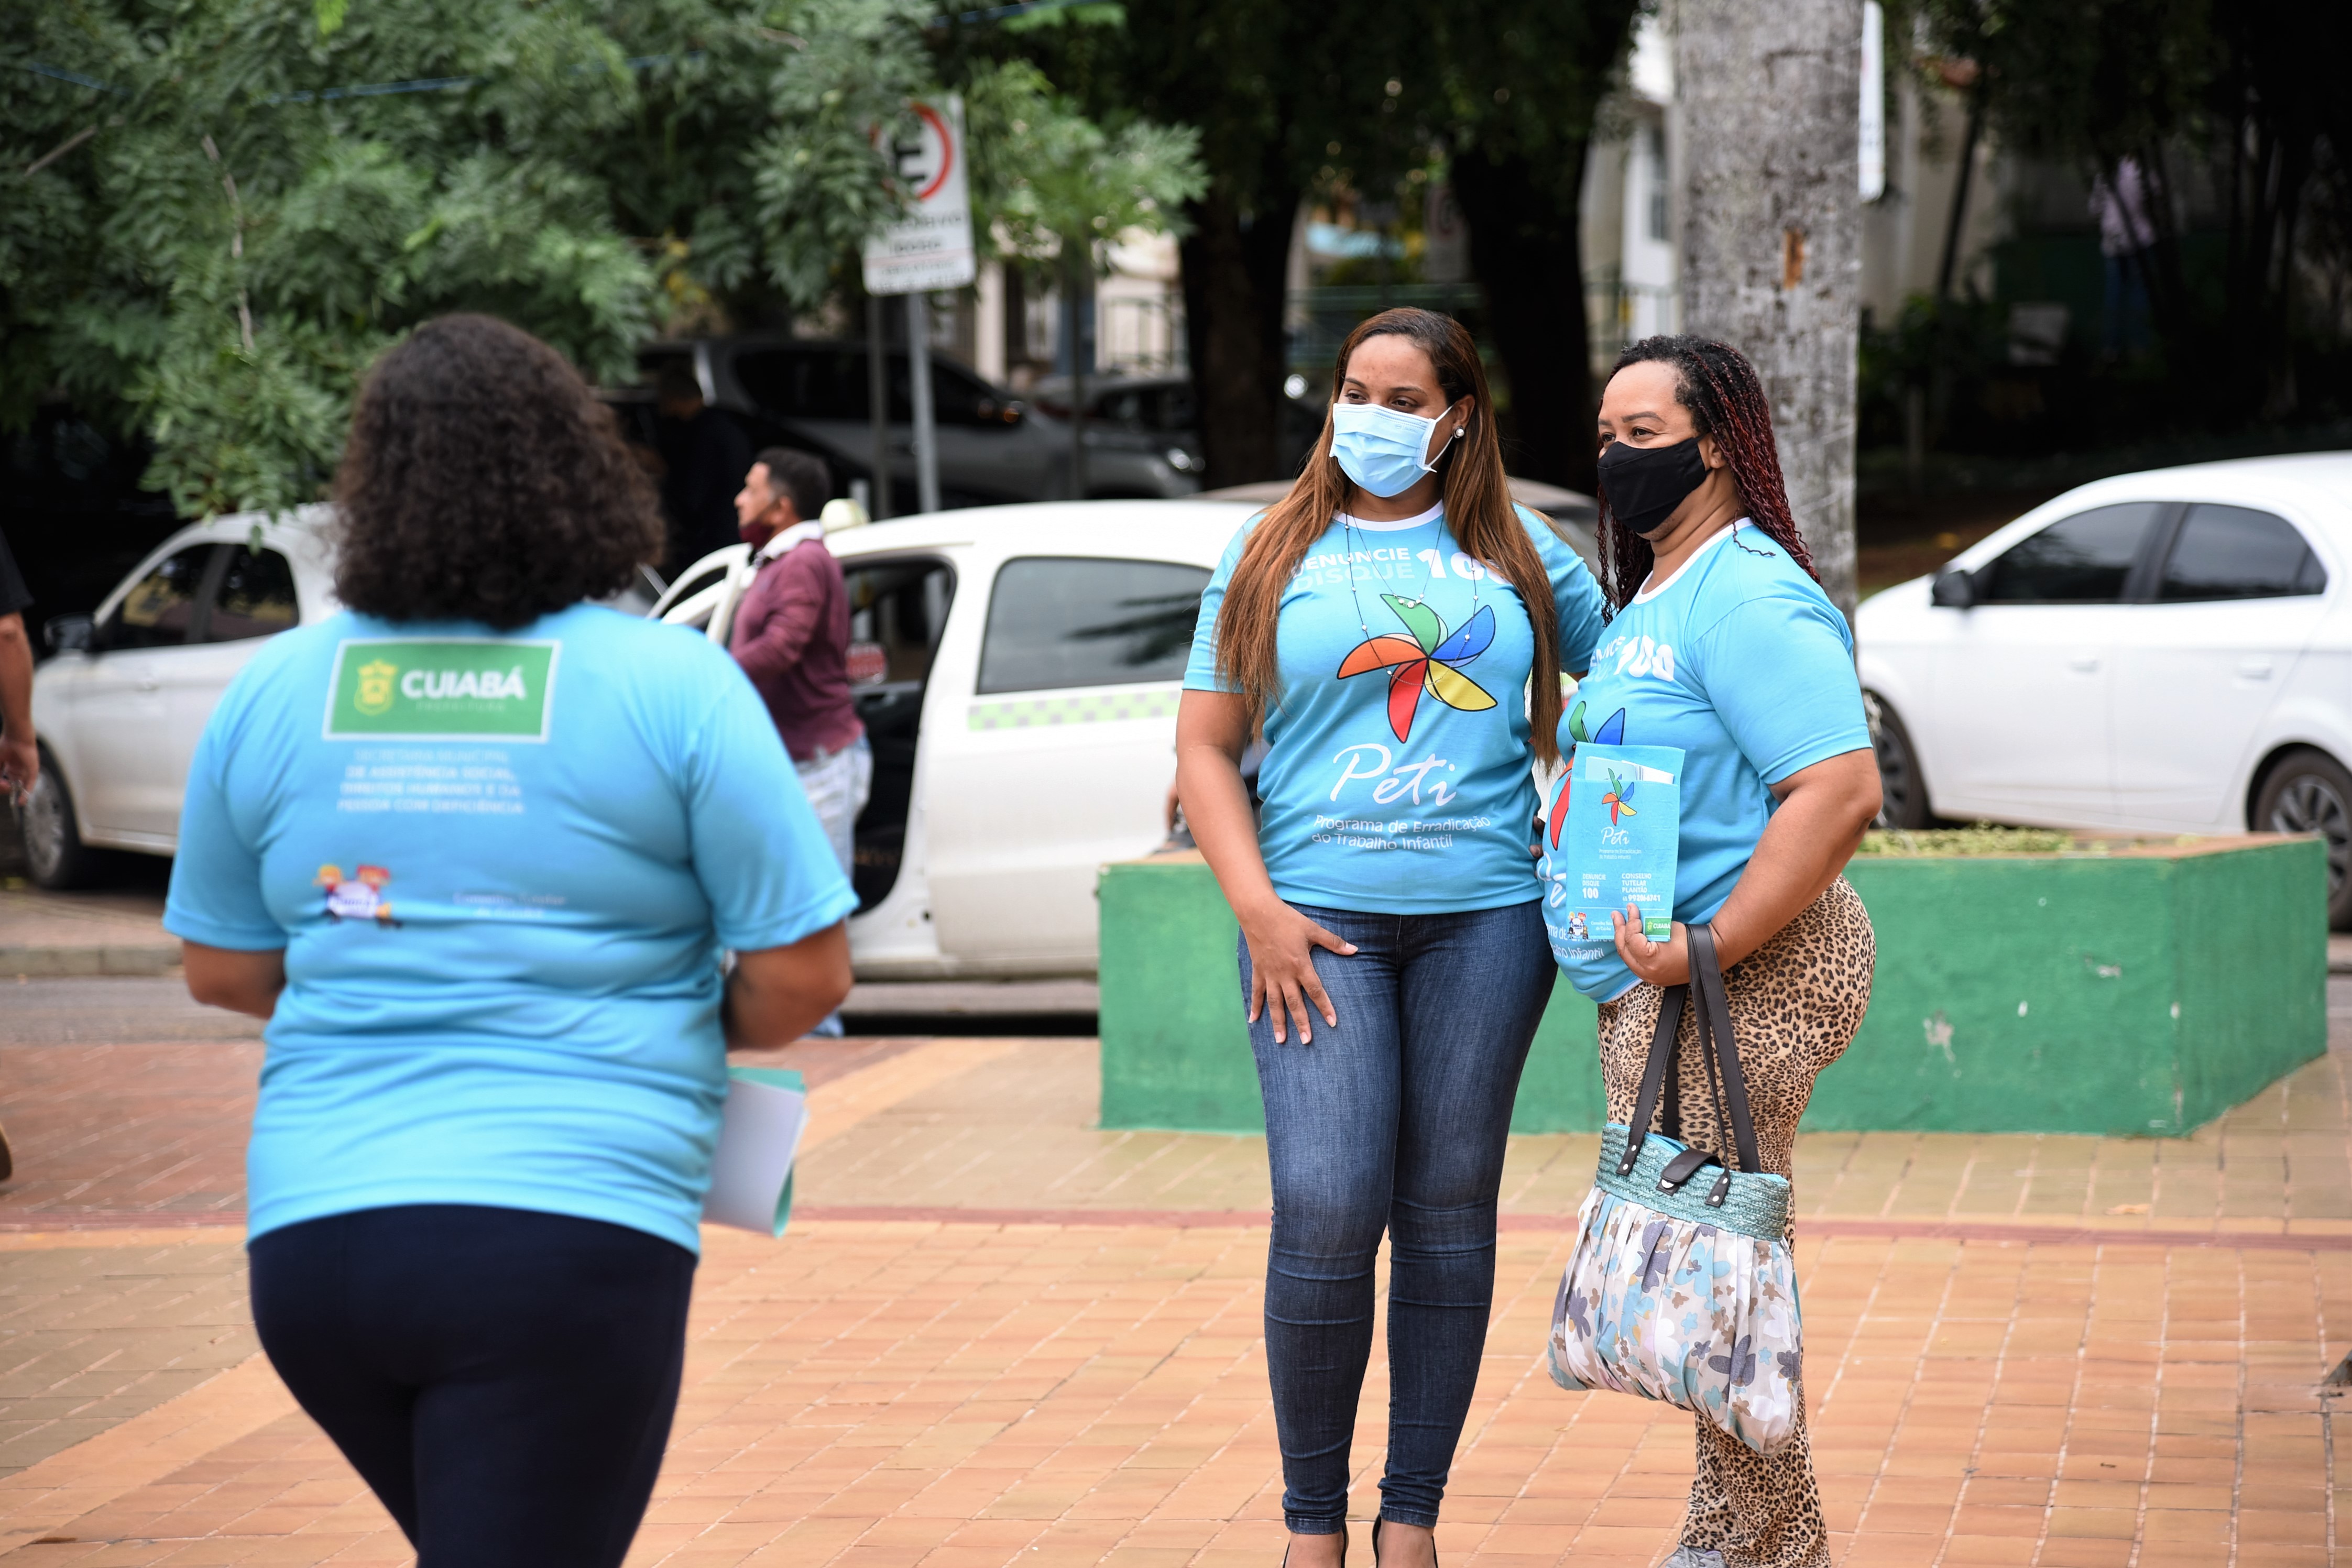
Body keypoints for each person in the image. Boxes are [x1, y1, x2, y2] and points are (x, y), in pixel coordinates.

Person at [162, 315, 857, 1568]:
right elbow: (804, 973)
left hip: (316, 1244)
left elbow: (220, 966)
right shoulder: (671, 683)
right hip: (566, 1238)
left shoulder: (273, 685)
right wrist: (656, 1016)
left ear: (371, 488)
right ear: (579, 470)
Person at [1174, 307, 1609, 1568]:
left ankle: (1410, 1516)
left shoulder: (1522, 552)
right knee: (1324, 1204)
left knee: (1447, 1209)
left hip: (1490, 922)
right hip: (1311, 925)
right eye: (1355, 391)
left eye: (1404, 399)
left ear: (1458, 417)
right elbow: (1204, 747)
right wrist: (1257, 908)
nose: (1370, 416)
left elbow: (1637, 677)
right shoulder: (1269, 550)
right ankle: (1311, 1524)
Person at [1558, 334, 1881, 1568]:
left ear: (1718, 446)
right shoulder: (1656, 590)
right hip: (1671, 975)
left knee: (1717, 1267)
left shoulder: (1746, 592)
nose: (1615, 457)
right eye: (1605, 434)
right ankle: (1730, 1535)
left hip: (1751, 967)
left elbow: (1838, 787)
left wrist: (1710, 941)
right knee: (1706, 1259)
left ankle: (1771, 1545)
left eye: (1642, 434)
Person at [731, 446, 869, 1037]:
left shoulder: (802, 562)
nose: (739, 499)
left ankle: (821, 1044)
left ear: (781, 506)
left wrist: (711, 675)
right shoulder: (777, 561)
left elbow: (782, 645)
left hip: (819, 765)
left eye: (751, 488)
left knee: (813, 914)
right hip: (795, 763)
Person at [657, 361, 754, 574]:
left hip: (711, 535)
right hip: (733, 527)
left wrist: (664, 475)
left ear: (672, 399)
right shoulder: (727, 425)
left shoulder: (702, 435)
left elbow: (692, 496)